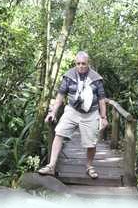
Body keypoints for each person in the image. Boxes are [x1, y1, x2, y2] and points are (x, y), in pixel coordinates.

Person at [38, 51, 108, 179]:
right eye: (78, 63)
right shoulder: (69, 76)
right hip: (72, 111)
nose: (81, 66)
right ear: (75, 63)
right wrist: (53, 112)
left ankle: (89, 166)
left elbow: (102, 99)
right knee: (59, 133)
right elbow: (60, 95)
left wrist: (103, 117)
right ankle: (51, 165)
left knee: (91, 143)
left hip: (91, 113)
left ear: (88, 64)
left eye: (83, 64)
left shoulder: (96, 78)